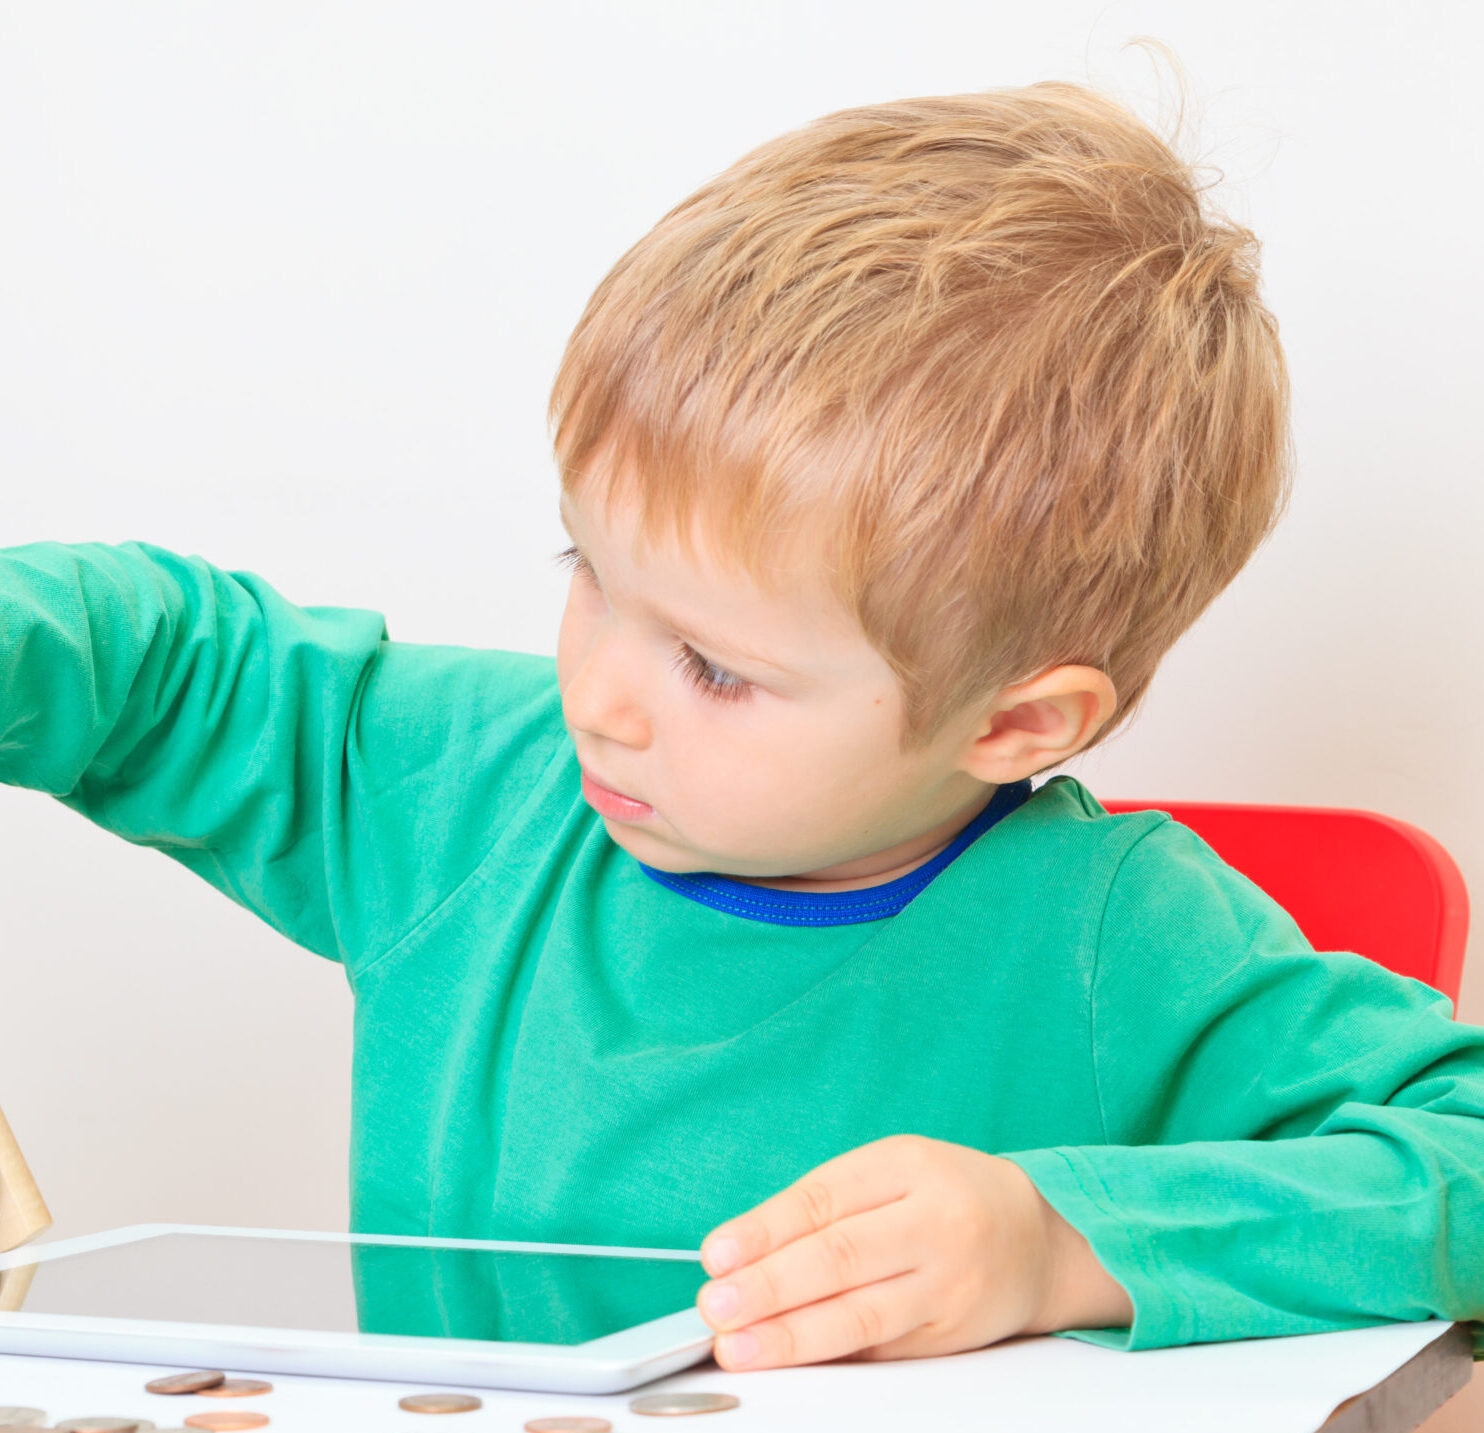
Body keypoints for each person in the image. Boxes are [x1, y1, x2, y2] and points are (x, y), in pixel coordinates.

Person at [2, 80, 1480, 1374]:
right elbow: (163, 662)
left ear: (1018, 720)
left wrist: (1056, 1246)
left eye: (713, 665)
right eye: (588, 571)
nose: (601, 693)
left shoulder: (1115, 940)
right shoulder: (472, 788)